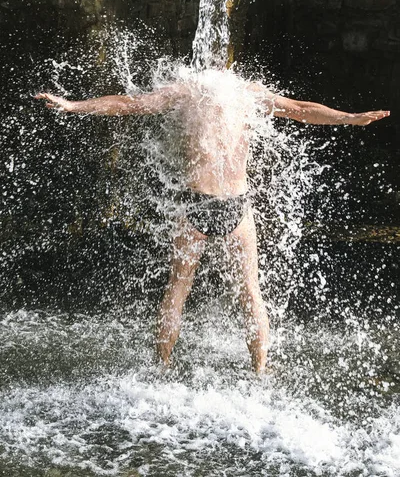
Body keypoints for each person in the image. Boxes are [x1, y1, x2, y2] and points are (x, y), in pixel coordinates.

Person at [35, 73, 390, 373]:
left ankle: (163, 366)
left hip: (195, 204)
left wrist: (74, 105)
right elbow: (301, 111)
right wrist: (350, 117)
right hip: (237, 205)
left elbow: (130, 104)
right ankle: (260, 371)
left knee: (178, 285)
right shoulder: (249, 93)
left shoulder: (186, 89)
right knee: (251, 290)